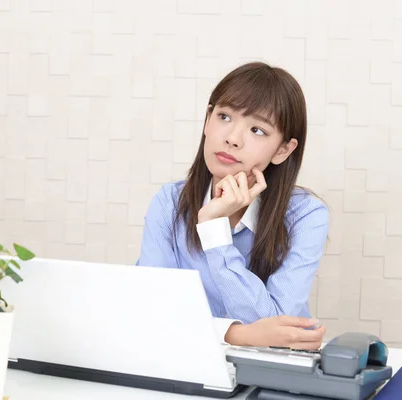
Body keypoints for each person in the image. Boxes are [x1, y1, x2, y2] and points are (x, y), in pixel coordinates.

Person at [136, 62, 329, 350]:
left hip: (275, 375)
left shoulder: (306, 216)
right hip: (188, 366)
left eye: (258, 130)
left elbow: (277, 328)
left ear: (283, 150)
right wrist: (236, 335)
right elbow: (150, 311)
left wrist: (215, 233)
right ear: (207, 120)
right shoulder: (169, 203)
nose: (232, 138)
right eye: (224, 116)